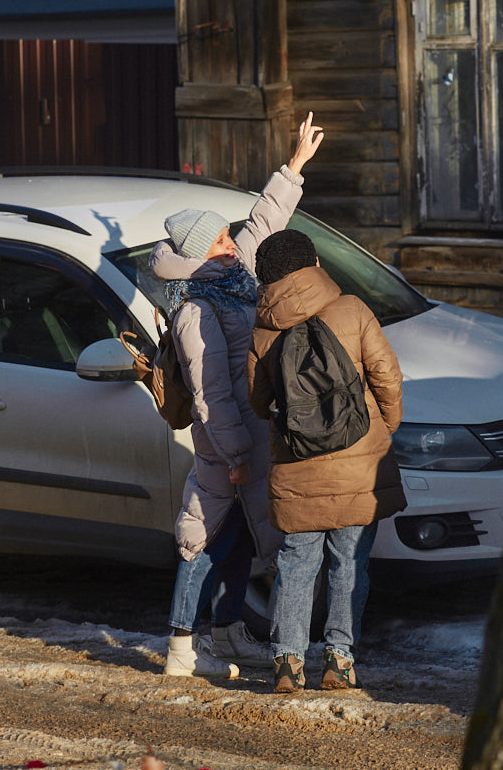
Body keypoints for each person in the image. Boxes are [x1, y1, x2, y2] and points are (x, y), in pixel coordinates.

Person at [151, 113, 324, 678]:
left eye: (228, 237)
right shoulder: (196, 308)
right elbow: (210, 394)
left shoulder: (234, 274)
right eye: (221, 241)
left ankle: (226, 633)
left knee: (243, 537)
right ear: (199, 254)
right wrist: (235, 455)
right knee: (202, 540)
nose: (231, 244)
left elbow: (265, 219)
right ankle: (181, 648)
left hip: (252, 434)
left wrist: (294, 166)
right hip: (225, 444)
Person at [246, 229, 407, 693]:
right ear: (314, 264)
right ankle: (339, 659)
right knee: (349, 563)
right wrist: (384, 425)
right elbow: (387, 375)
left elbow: (259, 403)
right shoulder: (352, 309)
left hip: (297, 468)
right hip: (359, 463)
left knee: (297, 563)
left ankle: (287, 662)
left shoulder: (263, 331)